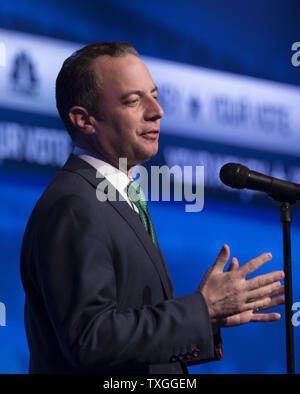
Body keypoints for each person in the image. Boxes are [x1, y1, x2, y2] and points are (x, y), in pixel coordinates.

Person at [20, 42, 285, 374]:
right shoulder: (74, 205)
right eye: (133, 101)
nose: (157, 111)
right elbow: (91, 339)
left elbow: (128, 334)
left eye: (154, 95)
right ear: (84, 120)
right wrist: (201, 308)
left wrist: (206, 318)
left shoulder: (114, 196)